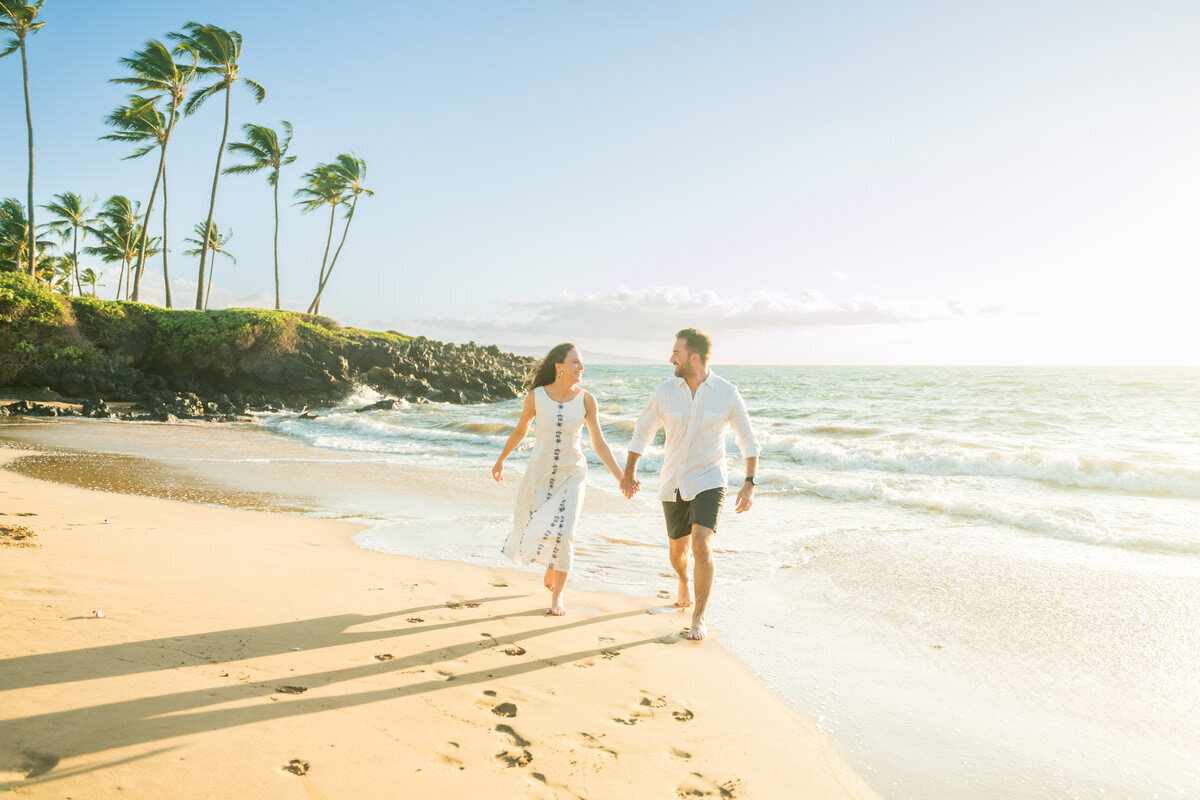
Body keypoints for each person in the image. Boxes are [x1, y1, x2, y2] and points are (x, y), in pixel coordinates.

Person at [620, 328, 759, 640]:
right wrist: (629, 473)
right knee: (678, 551)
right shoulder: (665, 392)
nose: (671, 359)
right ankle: (683, 578)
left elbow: (747, 438)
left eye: (677, 354)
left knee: (701, 544)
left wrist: (749, 482)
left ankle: (699, 617)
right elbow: (643, 431)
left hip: (710, 479)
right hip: (673, 481)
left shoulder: (726, 393)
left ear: (694, 357)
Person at [493, 343, 630, 615]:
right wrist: (501, 459)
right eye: (575, 362)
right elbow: (521, 431)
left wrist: (621, 477)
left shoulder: (587, 400)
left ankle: (557, 596)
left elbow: (600, 444)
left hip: (573, 474)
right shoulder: (536, 397)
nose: (581, 367)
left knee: (565, 533)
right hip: (540, 473)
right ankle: (551, 565)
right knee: (538, 526)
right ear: (559, 367)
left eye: (582, 363)